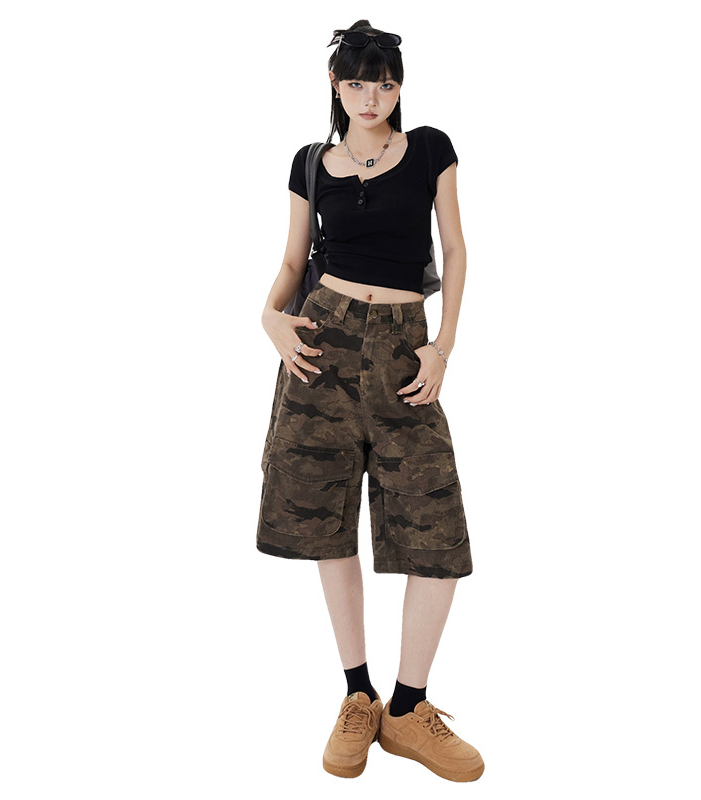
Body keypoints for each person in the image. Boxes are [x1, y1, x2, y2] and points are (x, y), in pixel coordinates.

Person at [257, 20, 483, 783]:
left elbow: (455, 250)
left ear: (399, 85)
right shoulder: (308, 163)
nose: (371, 97)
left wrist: (442, 347)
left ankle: (408, 708)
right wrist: (270, 320)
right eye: (357, 82)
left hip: (403, 352)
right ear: (336, 84)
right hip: (319, 346)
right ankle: (358, 697)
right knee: (326, 523)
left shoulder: (430, 149)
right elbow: (293, 261)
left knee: (437, 532)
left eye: (383, 83)